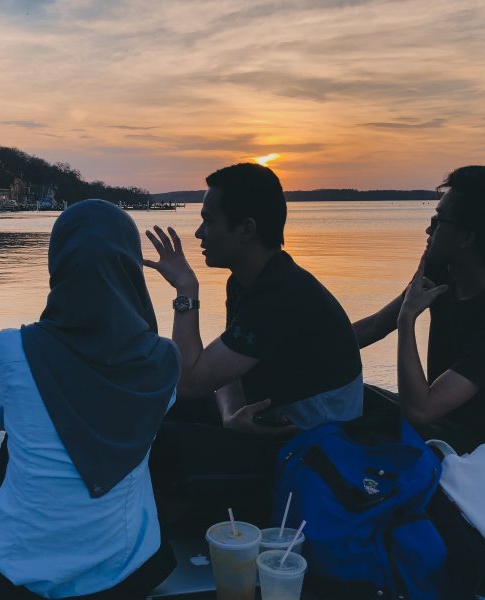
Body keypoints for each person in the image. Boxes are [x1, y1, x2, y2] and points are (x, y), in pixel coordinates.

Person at [0, 200, 180, 599]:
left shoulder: (12, 348)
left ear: (58, 264)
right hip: (127, 573)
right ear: (130, 267)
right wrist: (187, 293)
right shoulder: (163, 359)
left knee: (20, 438)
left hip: (13, 575)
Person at [144, 162, 362, 531]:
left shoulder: (280, 294)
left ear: (246, 229)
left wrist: (186, 290)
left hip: (315, 450)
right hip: (267, 422)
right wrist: (230, 414)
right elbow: (224, 368)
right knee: (151, 403)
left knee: (163, 441)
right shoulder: (250, 281)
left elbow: (190, 381)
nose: (199, 233)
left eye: (209, 221)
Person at [353, 165, 485, 453]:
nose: (428, 229)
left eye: (438, 221)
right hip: (437, 421)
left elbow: (421, 410)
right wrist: (306, 352)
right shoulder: (442, 271)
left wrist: (407, 321)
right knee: (342, 394)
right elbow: (376, 325)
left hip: (482, 447)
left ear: (466, 237)